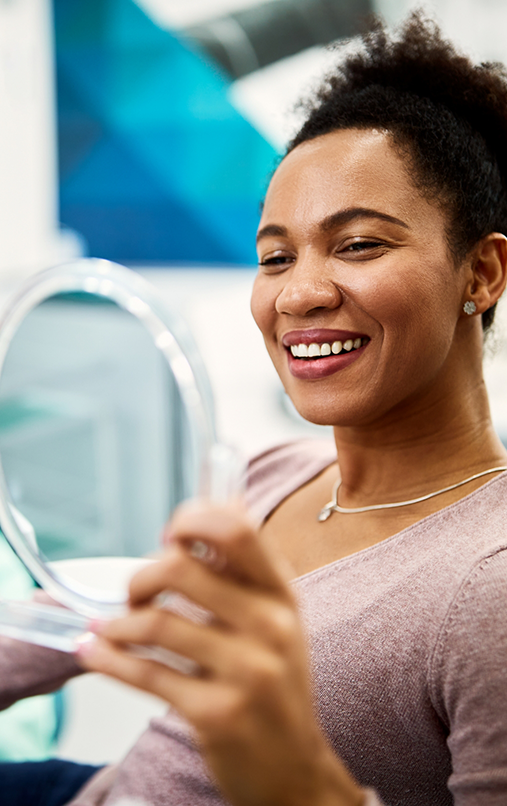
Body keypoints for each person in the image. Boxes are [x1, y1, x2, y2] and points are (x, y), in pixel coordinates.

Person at [2, 10, 507, 805]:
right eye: (275, 256)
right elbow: (87, 617)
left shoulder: (490, 587)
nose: (299, 293)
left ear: (479, 273)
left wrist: (297, 782)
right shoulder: (272, 480)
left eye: (359, 244)